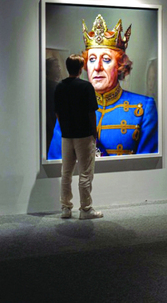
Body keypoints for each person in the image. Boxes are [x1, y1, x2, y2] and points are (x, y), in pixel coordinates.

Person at [48, 14, 158, 158]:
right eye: (92, 59)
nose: (97, 67)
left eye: (106, 59)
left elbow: (148, 165)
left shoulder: (144, 108)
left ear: (119, 66)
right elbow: (56, 163)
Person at [54, 54, 103, 220]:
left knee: (66, 173)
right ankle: (85, 209)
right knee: (85, 174)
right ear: (81, 69)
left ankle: (65, 208)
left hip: (67, 135)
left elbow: (57, 112)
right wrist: (94, 132)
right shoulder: (86, 86)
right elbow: (91, 113)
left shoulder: (60, 87)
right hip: (84, 135)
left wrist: (64, 128)